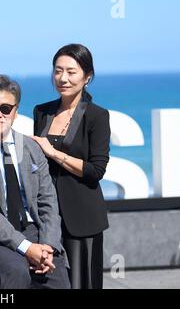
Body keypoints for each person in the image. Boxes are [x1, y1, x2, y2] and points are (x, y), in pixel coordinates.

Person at [0, 74, 70, 289]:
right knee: (17, 272)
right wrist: (27, 248)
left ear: (15, 111)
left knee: (59, 281)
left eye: (5, 108)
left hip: (33, 230)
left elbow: (48, 201)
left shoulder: (32, 148)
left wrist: (48, 246)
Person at [32, 44, 110, 289]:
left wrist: (54, 153)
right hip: (46, 214)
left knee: (81, 283)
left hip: (82, 216)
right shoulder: (41, 112)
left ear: (87, 77)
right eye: (57, 71)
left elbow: (96, 171)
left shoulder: (97, 116)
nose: (63, 78)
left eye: (71, 71)